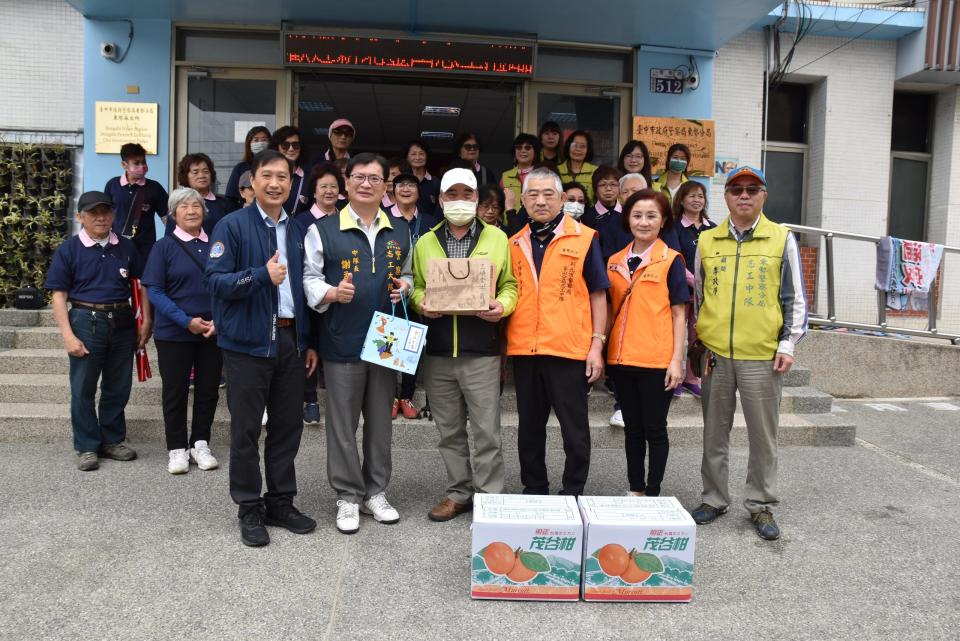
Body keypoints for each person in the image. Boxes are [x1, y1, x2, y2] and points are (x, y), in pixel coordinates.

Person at [205, 149, 318, 547]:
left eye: (283, 177)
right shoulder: (231, 226)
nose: (275, 183)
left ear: (291, 183)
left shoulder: (300, 229)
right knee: (247, 429)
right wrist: (260, 276)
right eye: (266, 175)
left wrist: (308, 341)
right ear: (251, 181)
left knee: (287, 427)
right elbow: (216, 283)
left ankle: (281, 502)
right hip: (246, 344)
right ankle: (249, 506)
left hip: (290, 339)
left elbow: (306, 288)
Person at [691, 166, 807, 541]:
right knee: (714, 432)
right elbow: (699, 297)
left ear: (764, 195)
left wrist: (788, 343)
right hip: (715, 355)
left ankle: (760, 504)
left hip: (761, 355)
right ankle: (714, 497)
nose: (744, 195)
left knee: (763, 435)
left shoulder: (781, 238)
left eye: (752, 189)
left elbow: (795, 299)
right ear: (725, 196)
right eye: (736, 189)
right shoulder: (708, 241)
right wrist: (700, 339)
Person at [303, 152, 413, 534]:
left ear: (386, 186)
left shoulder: (400, 230)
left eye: (375, 178)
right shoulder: (323, 229)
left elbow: (410, 273)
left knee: (382, 421)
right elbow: (308, 277)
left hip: (386, 339)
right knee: (342, 423)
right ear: (347, 182)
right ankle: (348, 496)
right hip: (342, 337)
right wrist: (331, 292)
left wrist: (406, 287)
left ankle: (376, 491)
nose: (367, 184)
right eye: (359, 177)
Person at [410, 168, 518, 521]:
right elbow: (419, 287)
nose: (459, 200)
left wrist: (502, 306)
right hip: (439, 351)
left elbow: (510, 285)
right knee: (449, 431)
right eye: (451, 194)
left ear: (477, 199)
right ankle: (459, 493)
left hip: (481, 350)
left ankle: (490, 498)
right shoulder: (425, 242)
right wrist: (421, 303)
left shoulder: (498, 239)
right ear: (440, 200)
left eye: (466, 194)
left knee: (487, 431)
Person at [506, 167, 609, 496]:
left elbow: (598, 294)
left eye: (548, 194)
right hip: (525, 349)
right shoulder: (513, 242)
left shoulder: (585, 237)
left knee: (574, 430)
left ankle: (573, 491)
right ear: (522, 201)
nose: (540, 201)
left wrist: (597, 345)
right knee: (529, 429)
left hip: (568, 349)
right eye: (532, 195)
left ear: (563, 199)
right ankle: (534, 489)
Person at [44, 191, 151, 471]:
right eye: (93, 213)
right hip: (85, 320)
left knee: (118, 386)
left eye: (105, 211)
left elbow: (141, 286)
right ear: (80, 217)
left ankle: (112, 440)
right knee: (83, 388)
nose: (101, 217)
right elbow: (58, 295)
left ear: (113, 214)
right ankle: (87, 445)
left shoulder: (126, 247)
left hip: (123, 321)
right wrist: (67, 335)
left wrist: (146, 322)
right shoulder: (69, 249)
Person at [606, 189, 688, 497]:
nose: (643, 222)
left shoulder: (671, 261)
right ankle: (635, 488)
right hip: (621, 360)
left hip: (656, 360)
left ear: (663, 220)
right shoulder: (614, 261)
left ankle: (653, 491)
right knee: (632, 429)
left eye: (651, 215)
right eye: (637, 215)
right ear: (627, 218)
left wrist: (676, 361)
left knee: (655, 429)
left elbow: (679, 315)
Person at [143, 187, 221, 474]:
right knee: (175, 392)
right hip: (175, 333)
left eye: (196, 205)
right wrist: (185, 320)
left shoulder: (216, 245)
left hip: (211, 332)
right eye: (184, 206)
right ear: (173, 215)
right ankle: (176, 448)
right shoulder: (163, 247)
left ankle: (201, 443)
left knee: (208, 390)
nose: (191, 210)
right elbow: (155, 291)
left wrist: (219, 322)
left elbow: (225, 286)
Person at [295, 163, 346, 425]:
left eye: (333, 187)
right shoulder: (300, 222)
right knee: (309, 344)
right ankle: (310, 399)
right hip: (310, 294)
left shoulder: (346, 219)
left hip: (341, 295)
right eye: (323, 186)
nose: (328, 191)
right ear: (313, 191)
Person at [389, 171, 439, 419]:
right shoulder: (383, 218)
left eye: (411, 185)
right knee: (387, 341)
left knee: (413, 344)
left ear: (420, 192)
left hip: (421, 292)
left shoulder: (431, 221)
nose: (406, 189)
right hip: (390, 292)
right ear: (393, 190)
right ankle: (390, 397)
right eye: (400, 185)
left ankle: (406, 395)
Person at [673, 181, 717, 398]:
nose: (697, 200)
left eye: (700, 196)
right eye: (691, 196)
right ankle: (676, 376)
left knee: (696, 335)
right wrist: (697, 282)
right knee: (677, 334)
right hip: (681, 290)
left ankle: (692, 378)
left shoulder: (714, 229)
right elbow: (676, 260)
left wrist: (707, 286)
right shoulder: (674, 227)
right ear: (681, 200)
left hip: (706, 294)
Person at [103, 142, 168, 265]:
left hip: (145, 250)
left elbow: (167, 219)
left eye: (144, 162)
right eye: (136, 163)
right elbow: (104, 214)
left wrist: (170, 244)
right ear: (124, 165)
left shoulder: (155, 187)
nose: (142, 166)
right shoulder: (112, 185)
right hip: (116, 246)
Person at [165, 153, 232, 236]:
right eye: (195, 172)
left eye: (206, 171)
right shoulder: (178, 204)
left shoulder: (224, 203)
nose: (202, 175)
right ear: (186, 176)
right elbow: (170, 239)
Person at [582, 165, 630, 260]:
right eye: (603, 184)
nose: (608, 189)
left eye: (613, 184)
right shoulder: (586, 217)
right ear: (595, 190)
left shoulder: (629, 214)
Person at [270, 125, 311, 215]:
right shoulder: (268, 176)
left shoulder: (309, 178)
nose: (291, 149)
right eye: (285, 145)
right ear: (277, 148)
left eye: (295, 145)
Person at [226, 125, 271, 208]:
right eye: (256, 140)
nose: (260, 143)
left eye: (264, 140)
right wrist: (242, 206)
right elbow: (230, 198)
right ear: (249, 144)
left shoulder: (275, 167)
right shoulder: (240, 168)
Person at [557, 130, 599, 203]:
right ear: (568, 147)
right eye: (574, 145)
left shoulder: (595, 171)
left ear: (588, 150)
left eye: (582, 146)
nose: (578, 149)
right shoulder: (557, 170)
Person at [500, 133, 539, 208]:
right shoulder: (505, 176)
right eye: (519, 147)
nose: (523, 150)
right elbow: (500, 202)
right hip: (510, 218)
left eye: (527, 148)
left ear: (535, 152)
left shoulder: (541, 175)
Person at [403, 140, 440, 215]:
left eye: (421, 154)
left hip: (430, 225)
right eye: (413, 154)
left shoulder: (435, 182)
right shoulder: (401, 180)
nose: (417, 157)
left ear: (427, 156)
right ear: (407, 157)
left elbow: (439, 208)